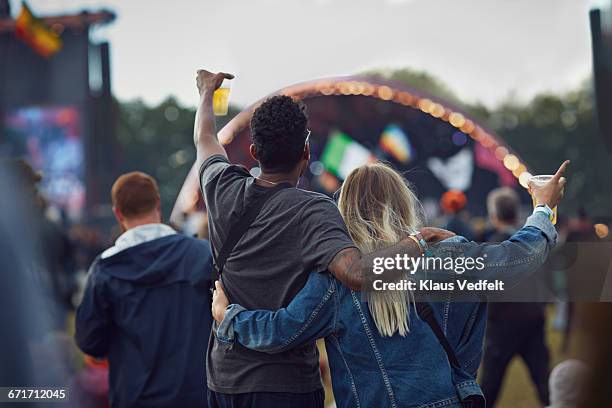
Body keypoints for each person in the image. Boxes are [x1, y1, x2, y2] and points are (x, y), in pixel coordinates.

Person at [211, 161, 568, 408]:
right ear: (402, 202)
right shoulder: (444, 255)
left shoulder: (335, 281)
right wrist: (543, 208)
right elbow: (517, 258)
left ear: (344, 209)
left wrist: (229, 317)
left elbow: (282, 331)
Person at [194, 69, 452, 408]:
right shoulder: (314, 210)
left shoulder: (221, 188)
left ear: (255, 151)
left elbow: (205, 138)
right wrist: (418, 241)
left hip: (223, 380)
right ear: (306, 152)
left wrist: (206, 94)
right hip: (285, 387)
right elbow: (358, 274)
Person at [75, 172, 214, 407]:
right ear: (157, 204)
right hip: (197, 395)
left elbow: (89, 341)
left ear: (117, 213)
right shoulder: (202, 255)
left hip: (134, 397)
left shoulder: (105, 270)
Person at [480, 187, 551, 406]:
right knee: (546, 387)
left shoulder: (494, 248)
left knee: (487, 391)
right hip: (532, 320)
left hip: (502, 327)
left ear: (494, 215)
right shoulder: (533, 242)